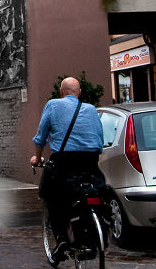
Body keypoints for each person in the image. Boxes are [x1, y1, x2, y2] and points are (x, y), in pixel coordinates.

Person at [30, 77, 104, 258]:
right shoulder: (92, 109)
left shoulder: (53, 105)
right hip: (90, 161)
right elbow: (100, 141)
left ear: (61, 92)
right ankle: (93, 237)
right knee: (91, 193)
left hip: (64, 161)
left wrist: (37, 158)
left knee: (51, 195)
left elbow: (41, 137)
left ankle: (61, 239)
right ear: (79, 93)